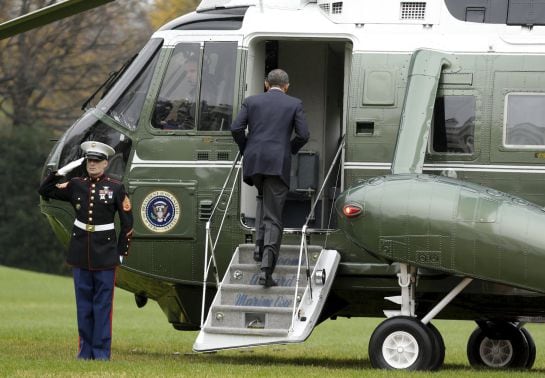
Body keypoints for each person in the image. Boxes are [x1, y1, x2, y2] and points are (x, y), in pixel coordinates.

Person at [38, 141, 133, 360]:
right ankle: (85, 352)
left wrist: (121, 251)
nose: (92, 165)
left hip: (105, 253)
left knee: (102, 306)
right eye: (89, 160)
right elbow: (45, 189)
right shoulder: (76, 185)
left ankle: (101, 353)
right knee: (83, 306)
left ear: (105, 164)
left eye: (97, 161)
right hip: (80, 251)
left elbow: (128, 223)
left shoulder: (116, 188)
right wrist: (63, 170)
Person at [231, 69, 310, 287]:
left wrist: (247, 148)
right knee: (274, 215)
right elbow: (303, 135)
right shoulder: (294, 103)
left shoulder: (251, 101)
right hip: (277, 163)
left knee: (262, 198)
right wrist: (288, 149)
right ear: (287, 86)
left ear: (266, 84)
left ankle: (258, 247)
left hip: (254, 161)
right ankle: (266, 270)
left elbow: (236, 128)